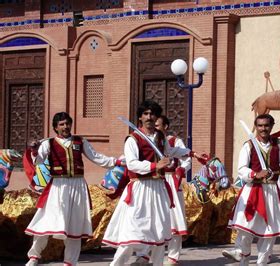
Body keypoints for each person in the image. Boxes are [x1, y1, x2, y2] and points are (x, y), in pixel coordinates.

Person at [102, 100, 205, 266]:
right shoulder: (133, 139)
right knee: (131, 232)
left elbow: (172, 151)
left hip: (158, 189)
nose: (149, 117)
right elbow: (132, 163)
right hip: (140, 189)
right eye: (146, 114)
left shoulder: (161, 137)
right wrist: (155, 165)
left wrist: (192, 153)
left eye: (152, 114)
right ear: (140, 118)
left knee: (159, 233)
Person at [25, 112, 123, 266]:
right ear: (56, 127)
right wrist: (35, 150)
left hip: (77, 187)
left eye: (67, 123)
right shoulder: (47, 143)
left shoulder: (80, 141)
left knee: (75, 225)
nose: (65, 126)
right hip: (58, 186)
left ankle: (70, 262)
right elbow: (38, 161)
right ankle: (34, 256)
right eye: (62, 124)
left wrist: (117, 162)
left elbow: (96, 157)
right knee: (45, 222)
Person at [223, 114, 280, 266]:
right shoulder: (248, 145)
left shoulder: (278, 144)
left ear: (271, 126)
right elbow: (241, 169)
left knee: (269, 231)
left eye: (266, 125)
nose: (263, 129)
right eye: (260, 125)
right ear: (256, 127)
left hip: (272, 192)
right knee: (246, 226)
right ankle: (242, 256)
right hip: (252, 190)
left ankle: (262, 262)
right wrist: (255, 174)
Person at [133, 115, 191, 266]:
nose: (154, 128)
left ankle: (173, 257)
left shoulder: (173, 141)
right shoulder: (146, 139)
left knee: (175, 219)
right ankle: (144, 255)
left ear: (165, 126)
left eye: (157, 125)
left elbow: (186, 158)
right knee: (151, 217)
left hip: (172, 181)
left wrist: (181, 170)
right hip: (155, 182)